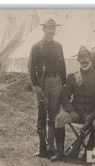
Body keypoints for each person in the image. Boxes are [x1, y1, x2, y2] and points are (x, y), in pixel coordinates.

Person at [55, 46, 95, 161]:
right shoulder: (72, 77)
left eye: (86, 57)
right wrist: (71, 111)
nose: (84, 60)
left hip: (91, 115)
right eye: (81, 58)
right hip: (75, 114)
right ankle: (60, 153)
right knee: (59, 118)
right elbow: (64, 96)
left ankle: (87, 154)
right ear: (78, 60)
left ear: (91, 59)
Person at [28, 18, 66, 158]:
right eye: (48, 28)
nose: (51, 30)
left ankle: (51, 146)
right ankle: (41, 147)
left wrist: (64, 83)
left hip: (56, 82)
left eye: (53, 28)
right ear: (43, 29)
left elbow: (62, 66)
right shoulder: (36, 46)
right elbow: (31, 68)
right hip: (42, 84)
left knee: (54, 116)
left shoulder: (58, 46)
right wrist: (36, 86)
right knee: (41, 116)